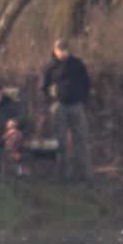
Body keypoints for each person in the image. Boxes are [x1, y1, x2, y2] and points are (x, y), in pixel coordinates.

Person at [41, 38, 92, 181]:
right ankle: (64, 173)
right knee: (60, 140)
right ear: (54, 50)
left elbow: (87, 83)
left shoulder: (78, 64)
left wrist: (83, 97)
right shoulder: (49, 67)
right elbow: (43, 88)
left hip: (76, 104)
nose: (63, 53)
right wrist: (50, 100)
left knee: (81, 139)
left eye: (65, 50)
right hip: (59, 105)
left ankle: (85, 173)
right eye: (60, 50)